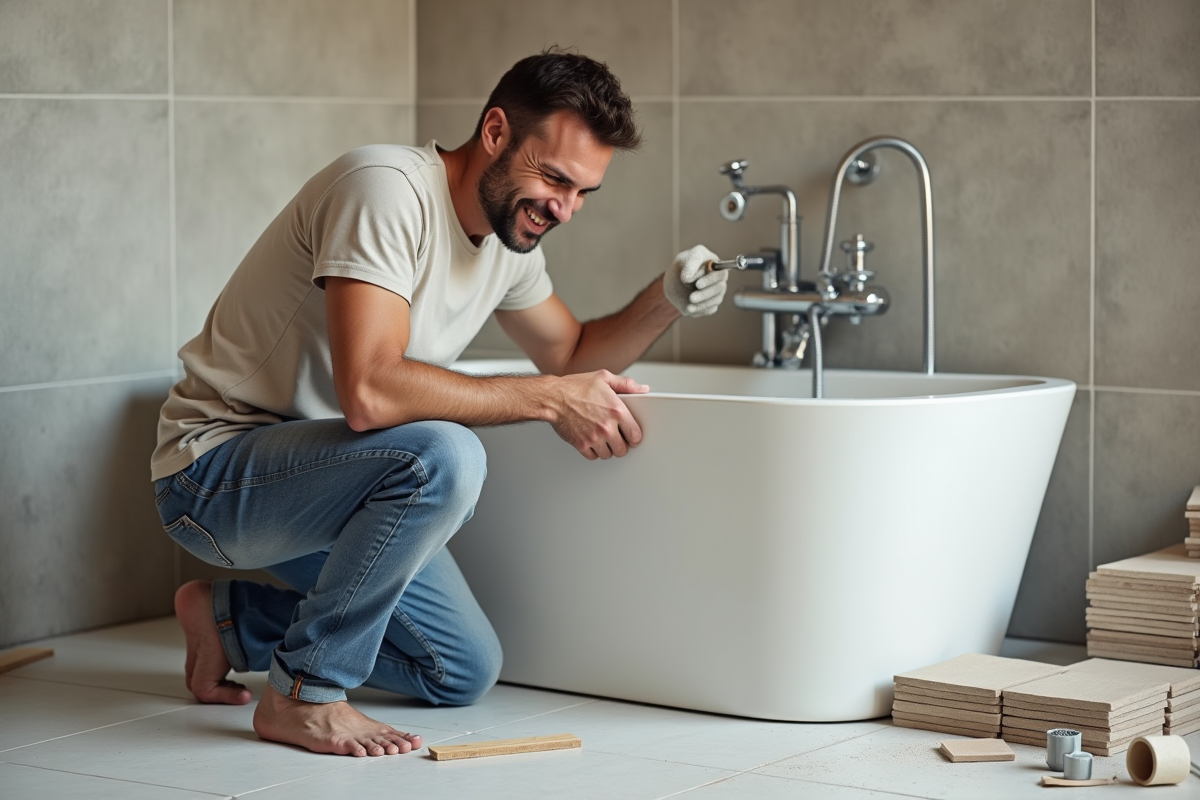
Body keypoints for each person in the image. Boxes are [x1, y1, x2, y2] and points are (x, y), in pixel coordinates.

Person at [150, 49, 730, 758]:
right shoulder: (386, 190)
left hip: (331, 488)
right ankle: (303, 694)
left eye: (583, 192)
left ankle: (230, 622)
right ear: (494, 132)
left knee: (461, 668)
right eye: (553, 178)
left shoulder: (508, 245)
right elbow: (369, 392)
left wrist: (665, 298)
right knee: (445, 454)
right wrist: (549, 401)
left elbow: (574, 356)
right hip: (212, 477)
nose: (565, 209)